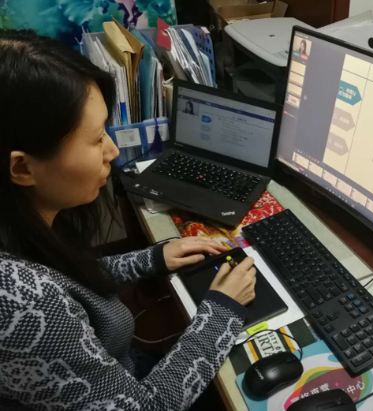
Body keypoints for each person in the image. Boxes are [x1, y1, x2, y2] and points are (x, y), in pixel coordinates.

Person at [0, 30, 257, 410]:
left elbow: (65, 279)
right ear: (22, 168)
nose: (113, 150)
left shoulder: (20, 233)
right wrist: (222, 310)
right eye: (95, 139)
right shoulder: (22, 306)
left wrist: (151, 258)